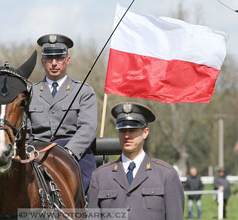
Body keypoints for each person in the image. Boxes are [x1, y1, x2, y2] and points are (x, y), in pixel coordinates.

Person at [87, 102, 184, 220]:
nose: (127, 136)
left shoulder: (166, 175)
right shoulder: (100, 176)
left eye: (132, 130)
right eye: (123, 130)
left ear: (145, 132)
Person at [27, 34, 97, 193]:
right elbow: (26, 130)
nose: (54, 63)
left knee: (88, 196)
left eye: (59, 58)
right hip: (38, 154)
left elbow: (88, 128)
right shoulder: (30, 93)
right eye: (49, 58)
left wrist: (68, 152)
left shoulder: (83, 92)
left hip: (75, 155)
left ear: (67, 60)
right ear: (42, 61)